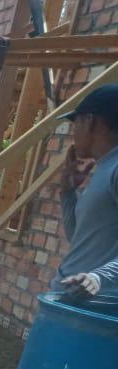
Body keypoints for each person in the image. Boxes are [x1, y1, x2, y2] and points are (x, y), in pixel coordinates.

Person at [54, 84, 118, 298]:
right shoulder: (106, 168)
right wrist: (67, 194)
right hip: (69, 302)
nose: (73, 133)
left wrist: (98, 278)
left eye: (75, 122)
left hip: (92, 310)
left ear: (90, 121)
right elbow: (80, 241)